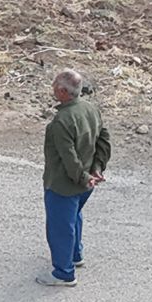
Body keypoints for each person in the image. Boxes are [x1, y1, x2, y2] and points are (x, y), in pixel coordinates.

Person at [39, 67, 111, 286]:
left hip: (63, 184)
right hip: (87, 181)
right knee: (74, 217)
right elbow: (103, 139)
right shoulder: (91, 109)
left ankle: (63, 273)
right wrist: (97, 168)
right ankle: (75, 255)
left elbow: (68, 157)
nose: (52, 87)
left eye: (54, 85)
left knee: (60, 227)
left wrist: (81, 176)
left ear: (62, 91)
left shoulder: (61, 121)